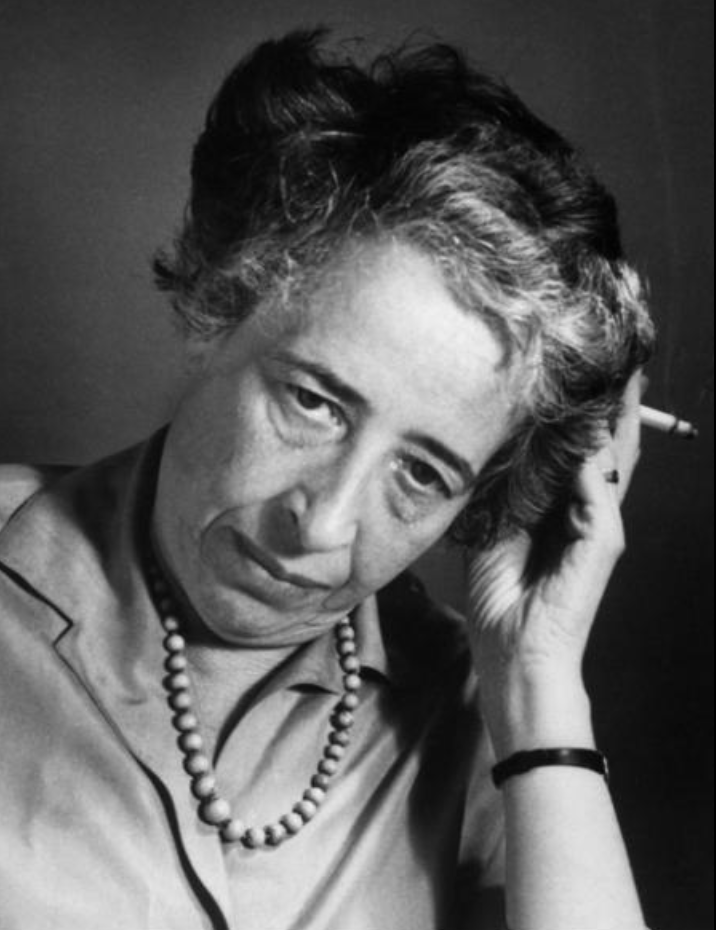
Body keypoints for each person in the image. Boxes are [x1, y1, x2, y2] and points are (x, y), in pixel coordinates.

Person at [0, 28, 655, 930]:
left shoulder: (475, 712)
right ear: (221, 299)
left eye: (422, 473)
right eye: (313, 403)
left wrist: (537, 688)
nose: (324, 525)